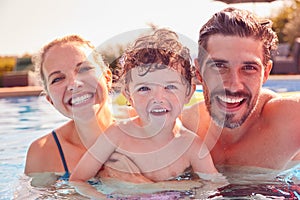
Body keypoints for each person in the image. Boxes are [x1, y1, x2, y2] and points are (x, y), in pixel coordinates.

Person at [69, 28, 218, 185]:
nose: (158, 99)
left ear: (188, 92)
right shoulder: (116, 136)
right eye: (144, 89)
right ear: (128, 95)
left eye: (170, 87)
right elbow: (77, 180)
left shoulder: (192, 146)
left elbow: (213, 186)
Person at [182, 7, 300, 172]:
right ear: (199, 72)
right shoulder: (181, 128)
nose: (233, 85)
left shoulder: (291, 120)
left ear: (265, 73)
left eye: (249, 68)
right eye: (219, 66)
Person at [24, 35, 149, 184]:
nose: (74, 84)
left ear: (107, 78)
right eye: (57, 79)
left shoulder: (153, 125)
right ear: (51, 101)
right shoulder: (43, 153)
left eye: (84, 69)